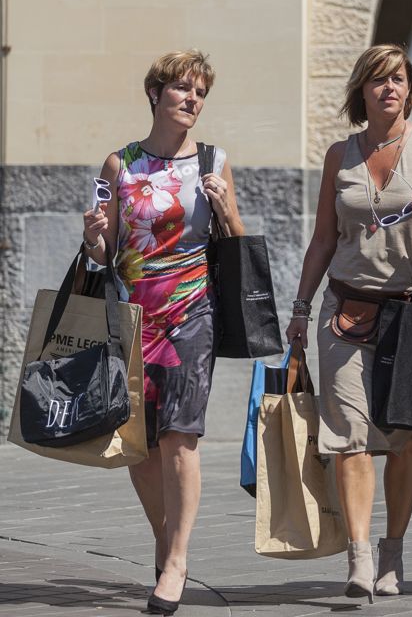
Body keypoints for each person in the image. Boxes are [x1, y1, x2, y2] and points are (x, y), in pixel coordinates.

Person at [286, 44, 412, 602]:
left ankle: (393, 550)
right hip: (344, 310)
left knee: (406, 441)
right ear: (361, 91)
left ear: (409, 89)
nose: (389, 87)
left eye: (398, 79)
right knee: (349, 438)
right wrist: (299, 307)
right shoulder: (339, 154)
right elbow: (324, 237)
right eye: (378, 80)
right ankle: (359, 557)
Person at [82, 50, 245, 616]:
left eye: (199, 92)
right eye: (181, 89)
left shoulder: (214, 161)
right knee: (140, 444)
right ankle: (164, 537)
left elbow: (237, 243)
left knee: (181, 435)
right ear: (155, 95)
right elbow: (107, 253)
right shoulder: (120, 164)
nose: (191, 100)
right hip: (131, 313)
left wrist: (228, 211)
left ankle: (177, 559)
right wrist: (93, 237)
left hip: (190, 311)